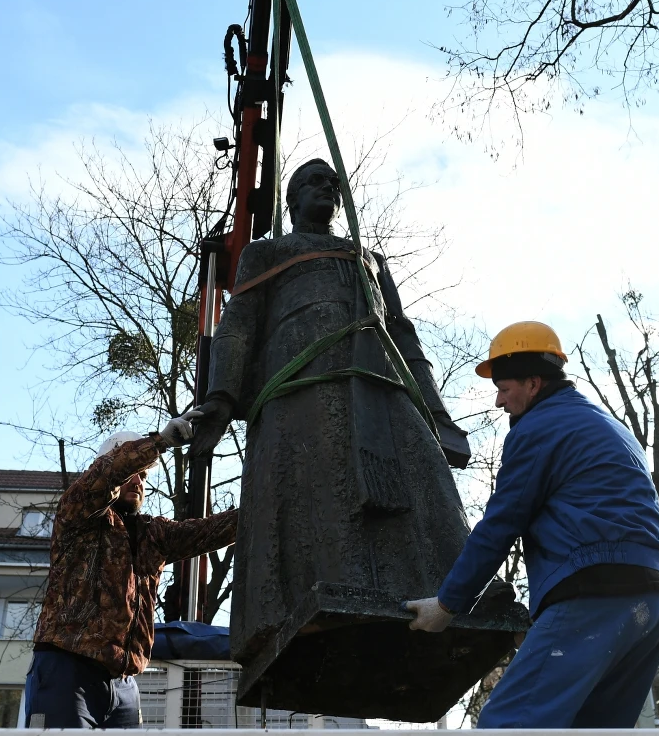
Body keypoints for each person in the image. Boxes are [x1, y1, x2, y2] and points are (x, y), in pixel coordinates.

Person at [191, 158, 473, 673]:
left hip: (380, 385)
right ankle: (319, 599)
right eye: (313, 183)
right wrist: (220, 398)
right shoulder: (267, 252)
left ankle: (460, 594)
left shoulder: (367, 258)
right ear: (292, 199)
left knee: (424, 474)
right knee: (319, 486)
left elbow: (402, 333)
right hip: (300, 386)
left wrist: (438, 413)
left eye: (332, 184)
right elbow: (237, 325)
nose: (326, 189)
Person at [403, 321, 659, 729]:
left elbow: (501, 523)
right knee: (590, 728)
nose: (499, 401)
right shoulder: (609, 427)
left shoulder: (539, 428)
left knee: (508, 723)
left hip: (597, 595)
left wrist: (447, 604)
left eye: (504, 388)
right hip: (657, 601)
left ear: (533, 383)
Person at [26, 412, 238, 729]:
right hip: (67, 669)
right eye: (134, 472)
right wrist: (160, 442)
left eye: (144, 477)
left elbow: (210, 531)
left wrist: (265, 503)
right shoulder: (79, 515)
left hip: (124, 684)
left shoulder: (152, 535)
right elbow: (106, 474)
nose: (139, 480)